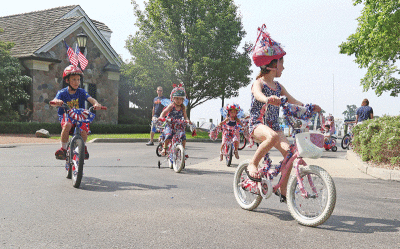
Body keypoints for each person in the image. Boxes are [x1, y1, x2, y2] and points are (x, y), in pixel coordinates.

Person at [246, 25, 321, 201]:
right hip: (257, 124)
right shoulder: (259, 83)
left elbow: (294, 101)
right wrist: (267, 99)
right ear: (272, 65)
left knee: (290, 155)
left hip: (274, 127)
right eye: (281, 64)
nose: (283, 68)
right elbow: (257, 94)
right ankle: (252, 164)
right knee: (271, 137)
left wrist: (309, 106)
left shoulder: (279, 87)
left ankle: (283, 190)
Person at [50, 65, 102, 160]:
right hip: (67, 116)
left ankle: (82, 146)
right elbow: (54, 101)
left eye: (78, 80)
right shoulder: (62, 93)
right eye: (73, 79)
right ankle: (64, 149)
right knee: (67, 125)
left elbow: (90, 99)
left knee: (84, 129)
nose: (76, 82)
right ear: (67, 81)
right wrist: (56, 102)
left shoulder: (81, 92)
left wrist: (96, 104)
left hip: (79, 117)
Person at [158, 84, 191, 156]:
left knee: (183, 137)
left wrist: (187, 120)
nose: (179, 101)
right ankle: (165, 148)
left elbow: (185, 117)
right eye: (177, 99)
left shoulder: (183, 107)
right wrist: (161, 117)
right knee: (168, 135)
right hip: (170, 124)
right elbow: (164, 112)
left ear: (183, 100)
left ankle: (183, 151)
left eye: (181, 99)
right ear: (173, 98)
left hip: (179, 125)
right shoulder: (171, 105)